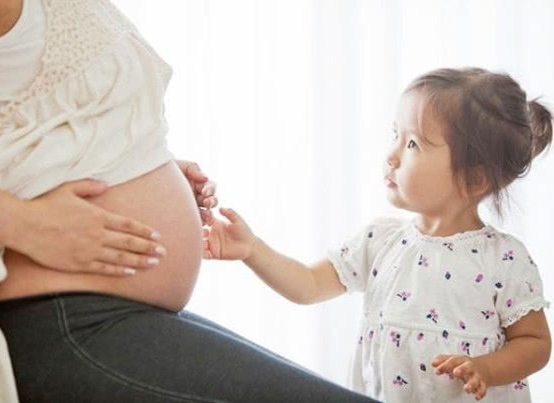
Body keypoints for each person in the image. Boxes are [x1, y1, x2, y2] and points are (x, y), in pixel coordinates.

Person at [0, 0, 380, 402]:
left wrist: (131, 160)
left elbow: (30, 123)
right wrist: (28, 224)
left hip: (103, 315)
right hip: (61, 319)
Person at [203, 68, 553, 402]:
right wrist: (252, 249)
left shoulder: (503, 259)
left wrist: (487, 368)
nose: (391, 156)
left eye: (413, 144)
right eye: (395, 136)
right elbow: (308, 284)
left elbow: (535, 342)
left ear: (474, 179)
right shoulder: (380, 241)